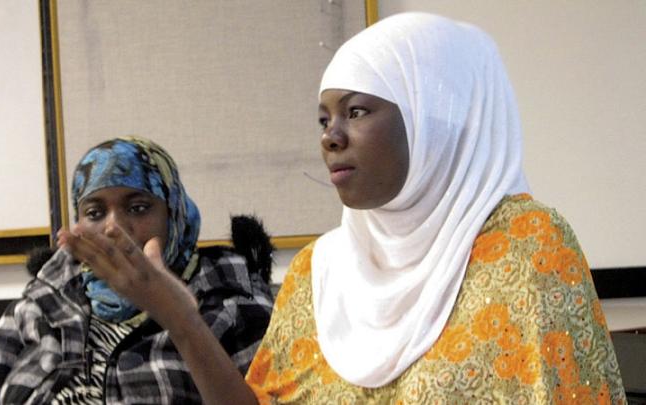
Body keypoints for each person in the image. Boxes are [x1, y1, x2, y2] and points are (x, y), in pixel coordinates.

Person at [243, 12, 626, 404]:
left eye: (356, 111)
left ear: (427, 119)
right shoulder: (315, 273)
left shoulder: (527, 244)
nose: (330, 137)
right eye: (324, 120)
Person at [0, 136, 274, 404]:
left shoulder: (231, 296)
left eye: (138, 208)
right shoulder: (46, 297)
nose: (114, 227)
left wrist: (180, 318)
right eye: (95, 212)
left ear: (173, 212)